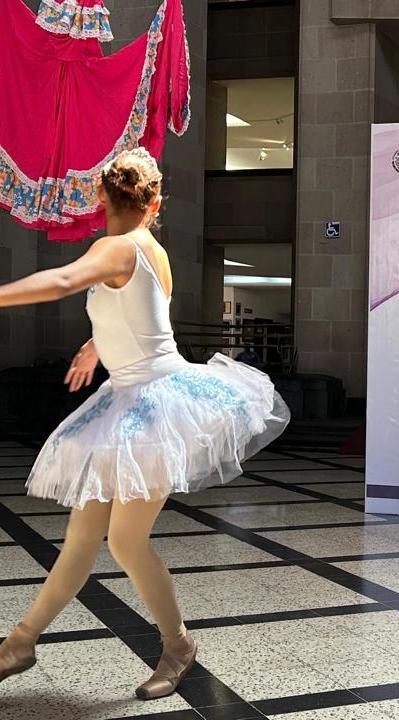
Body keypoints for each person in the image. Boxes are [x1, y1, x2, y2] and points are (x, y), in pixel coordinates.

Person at [0, 148, 290, 699]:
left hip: (152, 406)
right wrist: (95, 345)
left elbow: (63, 280)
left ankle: (178, 645)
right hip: (131, 400)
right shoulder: (151, 249)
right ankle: (20, 643)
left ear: (100, 197)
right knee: (83, 539)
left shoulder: (116, 246)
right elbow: (141, 314)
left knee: (125, 543)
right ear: (155, 203)